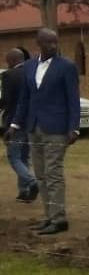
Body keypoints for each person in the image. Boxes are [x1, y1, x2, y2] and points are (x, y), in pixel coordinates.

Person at [8, 28, 80, 235]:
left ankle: (59, 219)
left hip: (57, 128)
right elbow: (25, 99)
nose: (53, 46)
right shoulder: (29, 67)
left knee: (53, 172)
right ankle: (48, 216)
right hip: (33, 127)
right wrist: (14, 125)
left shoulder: (66, 66)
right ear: (38, 43)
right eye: (49, 43)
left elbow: (73, 99)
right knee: (40, 174)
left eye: (55, 42)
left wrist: (73, 127)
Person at [2, 48, 37, 202]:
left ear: (11, 60)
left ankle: (31, 182)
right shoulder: (33, 72)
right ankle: (24, 192)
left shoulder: (9, 75)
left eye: (7, 60)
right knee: (24, 156)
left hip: (15, 122)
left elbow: (7, 100)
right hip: (31, 122)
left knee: (13, 156)